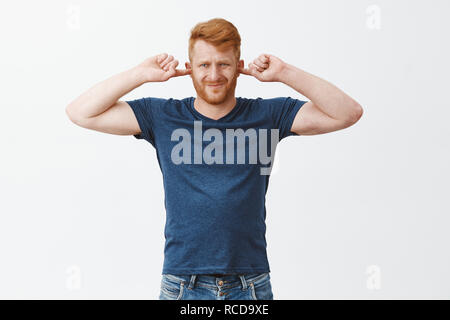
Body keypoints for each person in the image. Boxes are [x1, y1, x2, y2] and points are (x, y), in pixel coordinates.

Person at [65, 18, 363, 300]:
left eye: (224, 64)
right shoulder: (163, 116)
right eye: (204, 65)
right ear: (190, 68)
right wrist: (140, 75)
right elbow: (80, 112)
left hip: (250, 284)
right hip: (183, 283)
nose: (214, 75)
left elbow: (348, 113)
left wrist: (284, 73)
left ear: (239, 67)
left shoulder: (268, 116)